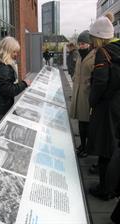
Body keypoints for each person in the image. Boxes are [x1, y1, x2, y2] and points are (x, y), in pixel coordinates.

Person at [87, 12, 120, 200]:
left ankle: (105, 189)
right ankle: (113, 187)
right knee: (115, 147)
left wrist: (92, 102)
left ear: (99, 37)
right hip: (118, 105)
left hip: (106, 108)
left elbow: (99, 83)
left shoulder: (103, 52)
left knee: (105, 149)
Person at [0, 36, 31, 127]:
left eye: (17, 51)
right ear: (7, 50)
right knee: (2, 133)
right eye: (14, 51)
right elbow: (8, 90)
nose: (16, 54)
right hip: (1, 107)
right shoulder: (3, 66)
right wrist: (24, 84)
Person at [70, 30, 96, 158]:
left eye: (83, 43)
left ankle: (87, 148)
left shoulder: (94, 56)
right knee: (81, 123)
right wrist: (75, 79)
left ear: (89, 44)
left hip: (87, 95)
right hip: (78, 94)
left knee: (88, 124)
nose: (81, 46)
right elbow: (76, 72)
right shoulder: (80, 56)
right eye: (79, 43)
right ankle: (82, 144)